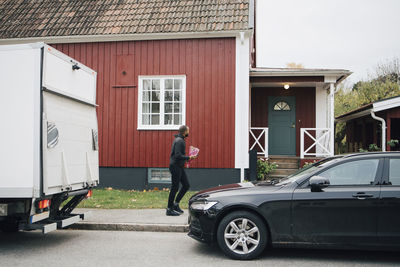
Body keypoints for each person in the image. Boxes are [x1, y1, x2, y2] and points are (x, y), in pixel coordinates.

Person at [166, 125, 197, 216]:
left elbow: (178, 155)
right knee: (174, 188)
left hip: (179, 166)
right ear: (184, 132)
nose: (189, 132)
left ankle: (175, 204)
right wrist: (189, 157)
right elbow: (177, 155)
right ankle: (169, 209)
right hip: (175, 166)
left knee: (186, 185)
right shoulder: (179, 141)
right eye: (188, 131)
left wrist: (187, 159)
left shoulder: (180, 140)